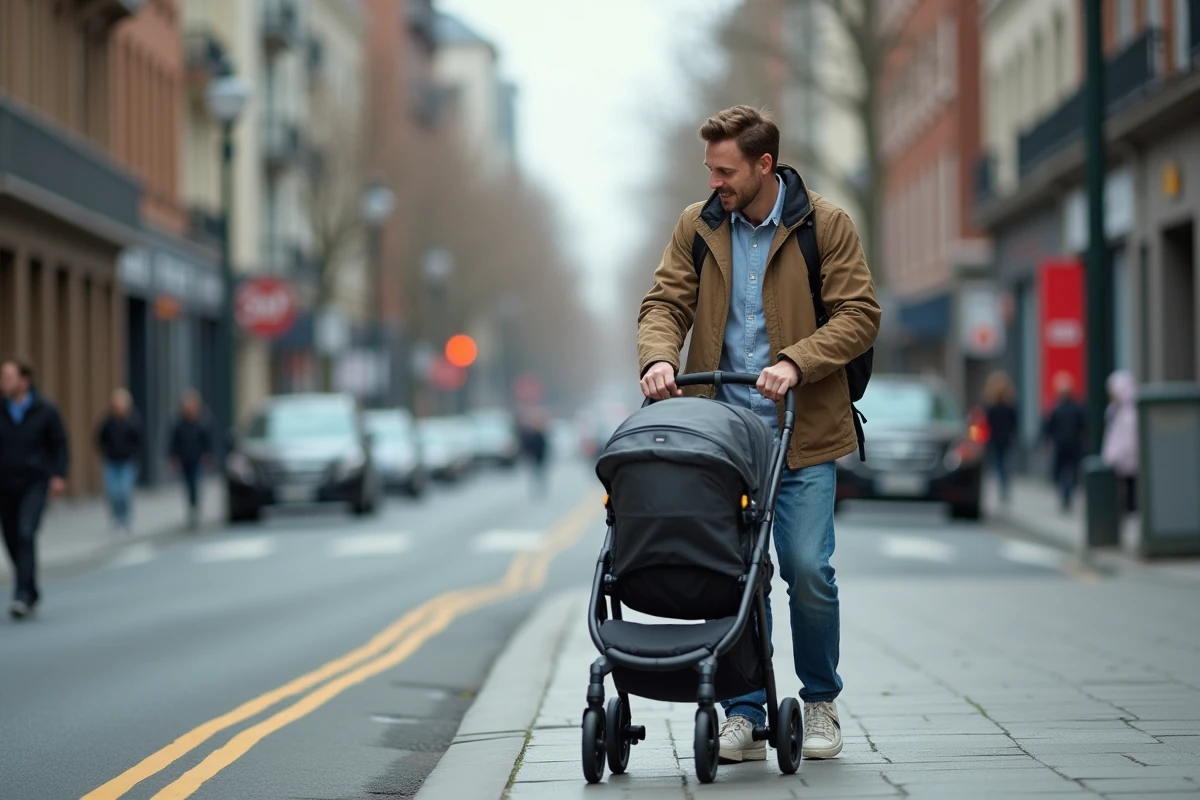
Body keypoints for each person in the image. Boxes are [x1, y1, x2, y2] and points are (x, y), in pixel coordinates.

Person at [638, 106, 880, 762]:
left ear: (764, 165)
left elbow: (860, 315)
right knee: (734, 576)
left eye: (726, 170)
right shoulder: (698, 226)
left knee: (807, 569)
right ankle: (745, 711)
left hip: (803, 434)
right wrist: (659, 356)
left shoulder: (823, 225)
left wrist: (796, 361)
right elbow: (665, 304)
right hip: (722, 443)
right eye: (709, 169)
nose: (715, 180)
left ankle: (821, 698)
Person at [0, 357, 69, 620]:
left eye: (8, 377)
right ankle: (30, 586)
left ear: (24, 381)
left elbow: (60, 443)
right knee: (11, 538)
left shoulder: (45, 410)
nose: (3, 382)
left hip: (35, 482)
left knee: (26, 532)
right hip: (5, 484)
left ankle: (22, 595)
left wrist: (59, 475)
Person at [95, 388, 143, 533]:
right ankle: (116, 518)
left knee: (124, 492)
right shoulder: (108, 421)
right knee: (112, 492)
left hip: (127, 462)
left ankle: (125, 518)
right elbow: (99, 438)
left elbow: (139, 441)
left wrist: (134, 455)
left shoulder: (133, 421)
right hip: (111, 461)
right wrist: (105, 452)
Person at [1042, 372, 1087, 512]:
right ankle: (1067, 495)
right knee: (1071, 470)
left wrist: (1048, 440)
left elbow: (1048, 427)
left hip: (1061, 444)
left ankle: (1065, 495)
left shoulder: (1056, 408)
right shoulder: (1076, 407)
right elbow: (1083, 425)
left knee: (1061, 471)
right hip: (1073, 444)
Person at [168, 390, 213, 530]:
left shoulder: (202, 422)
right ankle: (191, 508)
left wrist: (208, 456)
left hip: (197, 459)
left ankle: (195, 509)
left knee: (195, 484)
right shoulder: (179, 423)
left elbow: (208, 441)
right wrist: (173, 457)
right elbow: (173, 442)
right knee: (187, 485)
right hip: (184, 460)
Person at [1101, 370, 1139, 514]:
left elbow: (1129, 440)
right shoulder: (1113, 410)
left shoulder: (1129, 413)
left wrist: (1118, 455)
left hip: (1126, 460)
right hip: (1117, 459)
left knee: (1129, 491)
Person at [982, 371, 1019, 503]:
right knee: (1005, 465)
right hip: (1006, 439)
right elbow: (1015, 424)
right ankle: (1005, 490)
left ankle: (1002, 490)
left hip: (995, 440)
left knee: (999, 465)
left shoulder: (991, 407)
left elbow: (986, 424)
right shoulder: (1010, 407)